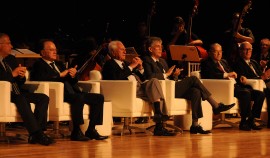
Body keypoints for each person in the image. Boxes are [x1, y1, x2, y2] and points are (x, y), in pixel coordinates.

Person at [142, 36, 235, 134]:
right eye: (157, 46)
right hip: (160, 91)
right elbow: (149, 76)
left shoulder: (163, 61)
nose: (161, 48)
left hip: (170, 87)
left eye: (161, 46)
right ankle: (215, 105)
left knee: (196, 91)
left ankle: (195, 125)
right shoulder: (146, 60)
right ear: (150, 49)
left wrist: (174, 76)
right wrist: (166, 74)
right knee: (193, 79)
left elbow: (169, 79)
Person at [30, 39, 109, 141]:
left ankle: (91, 129)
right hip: (58, 94)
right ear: (42, 52)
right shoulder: (38, 64)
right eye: (51, 50)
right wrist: (59, 75)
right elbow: (39, 79)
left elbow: (72, 81)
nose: (55, 52)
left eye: (55, 49)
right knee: (78, 98)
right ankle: (76, 131)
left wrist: (73, 75)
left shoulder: (59, 64)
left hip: (72, 92)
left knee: (98, 97)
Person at [102, 40, 176, 136]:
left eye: (125, 49)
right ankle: (159, 124)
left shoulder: (125, 63)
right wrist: (132, 66)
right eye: (122, 50)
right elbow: (116, 78)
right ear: (113, 52)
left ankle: (159, 119)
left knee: (154, 81)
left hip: (139, 87)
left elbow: (144, 78)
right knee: (157, 93)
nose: (125, 52)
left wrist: (140, 68)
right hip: (127, 90)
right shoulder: (110, 64)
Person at [0, 33, 55, 146]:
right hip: (3, 94)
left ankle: (37, 134)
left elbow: (19, 81)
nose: (11, 46)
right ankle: (36, 133)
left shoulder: (11, 59)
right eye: (8, 43)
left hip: (16, 92)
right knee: (21, 99)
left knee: (43, 97)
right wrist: (12, 74)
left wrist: (21, 76)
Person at [200, 43, 265, 131]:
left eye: (220, 51)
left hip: (235, 86)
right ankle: (243, 122)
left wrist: (240, 77)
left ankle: (251, 120)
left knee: (260, 94)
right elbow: (210, 75)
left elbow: (233, 74)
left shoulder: (224, 62)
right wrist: (226, 75)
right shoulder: (205, 63)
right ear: (210, 52)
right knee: (245, 93)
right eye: (216, 52)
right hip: (223, 88)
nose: (219, 54)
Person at [233, 41, 270, 128]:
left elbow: (260, 74)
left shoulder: (254, 62)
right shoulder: (238, 63)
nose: (248, 51)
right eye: (246, 49)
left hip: (259, 85)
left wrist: (266, 76)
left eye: (250, 49)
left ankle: (252, 119)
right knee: (256, 94)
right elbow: (245, 78)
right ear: (240, 51)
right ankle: (247, 121)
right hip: (246, 87)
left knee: (264, 93)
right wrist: (262, 78)